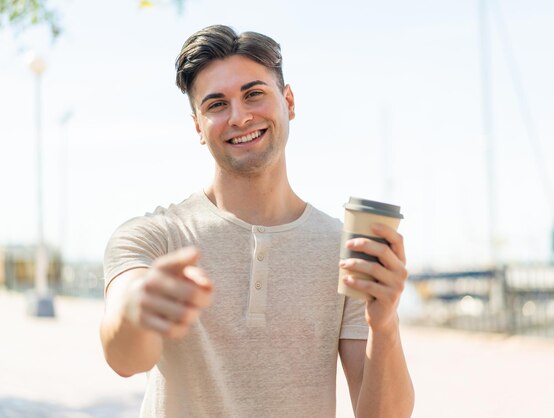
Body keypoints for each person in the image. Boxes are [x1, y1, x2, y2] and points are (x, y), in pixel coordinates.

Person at [99, 24, 414, 417]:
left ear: (289, 102)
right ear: (198, 125)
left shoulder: (344, 249)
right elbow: (124, 359)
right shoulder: (153, 238)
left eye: (254, 95)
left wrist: (385, 326)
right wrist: (138, 311)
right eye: (216, 104)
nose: (240, 116)